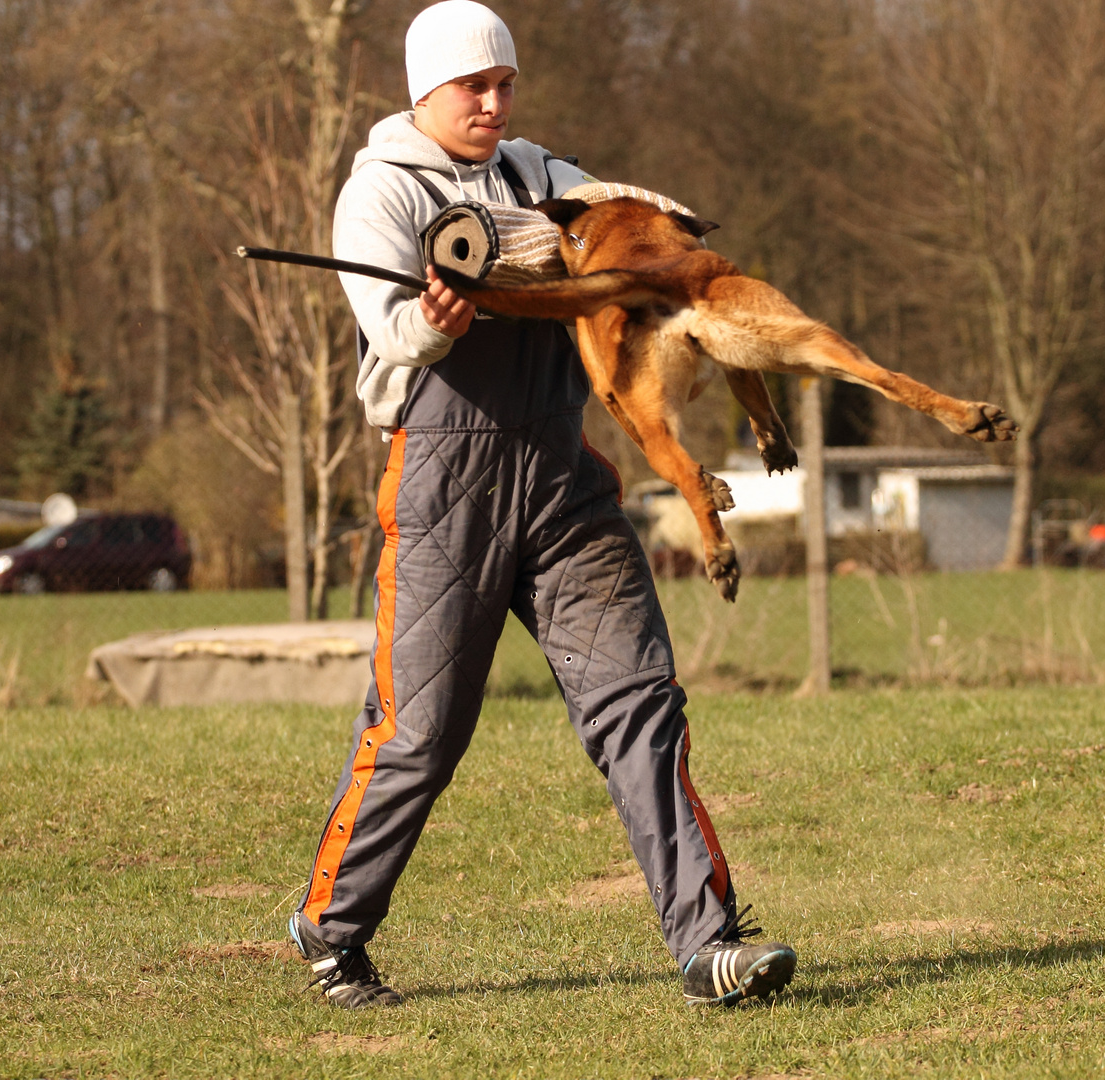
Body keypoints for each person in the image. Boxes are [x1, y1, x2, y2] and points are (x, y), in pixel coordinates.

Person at [287, 0, 797, 1009]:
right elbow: (391, 334)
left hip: (562, 471)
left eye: (504, 83)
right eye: (474, 86)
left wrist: (668, 245)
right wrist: (437, 320)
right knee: (421, 731)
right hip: (444, 479)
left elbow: (618, 227)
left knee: (639, 698)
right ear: (423, 90)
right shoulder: (377, 192)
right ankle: (331, 929)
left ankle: (709, 947)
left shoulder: (541, 173)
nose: (493, 100)